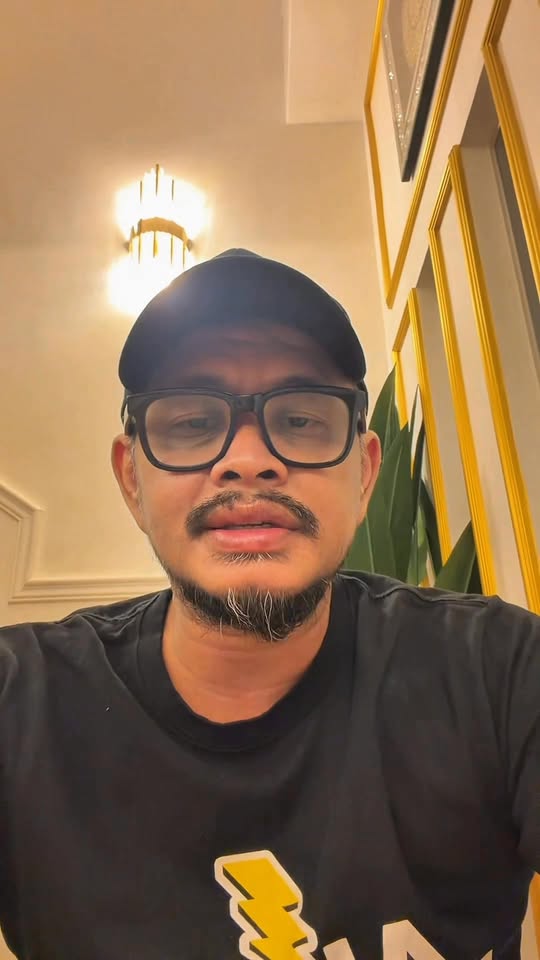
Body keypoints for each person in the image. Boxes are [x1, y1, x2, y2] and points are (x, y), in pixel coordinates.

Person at [0, 249, 538, 960]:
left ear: (364, 474)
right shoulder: (19, 702)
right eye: (193, 422)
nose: (248, 460)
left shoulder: (500, 672)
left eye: (303, 419)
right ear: (132, 479)